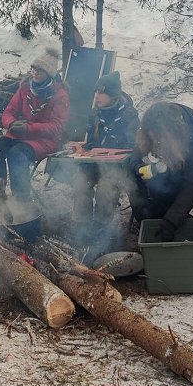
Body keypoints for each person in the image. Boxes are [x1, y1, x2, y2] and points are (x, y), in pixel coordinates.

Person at [0, 48, 70, 202]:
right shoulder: (25, 88)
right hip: (19, 133)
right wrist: (11, 123)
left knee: (17, 155)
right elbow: (8, 112)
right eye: (34, 68)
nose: (35, 73)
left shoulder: (60, 95)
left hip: (44, 140)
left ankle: (22, 200)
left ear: (49, 74)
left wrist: (29, 128)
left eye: (40, 70)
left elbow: (57, 127)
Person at [130, 102, 193, 242]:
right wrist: (138, 168)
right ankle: (149, 218)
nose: (155, 141)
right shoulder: (152, 125)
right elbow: (134, 155)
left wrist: (171, 222)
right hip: (169, 164)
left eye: (159, 138)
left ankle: (173, 219)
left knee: (173, 185)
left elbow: (192, 185)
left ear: (170, 134)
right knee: (135, 181)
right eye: (151, 137)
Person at [71, 71, 139, 252]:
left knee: (105, 188)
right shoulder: (95, 114)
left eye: (101, 93)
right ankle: (82, 227)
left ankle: (102, 228)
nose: (97, 97)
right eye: (95, 92)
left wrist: (112, 144)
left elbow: (131, 146)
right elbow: (92, 143)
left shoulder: (129, 114)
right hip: (95, 163)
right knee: (80, 184)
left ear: (113, 95)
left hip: (117, 167)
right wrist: (82, 149)